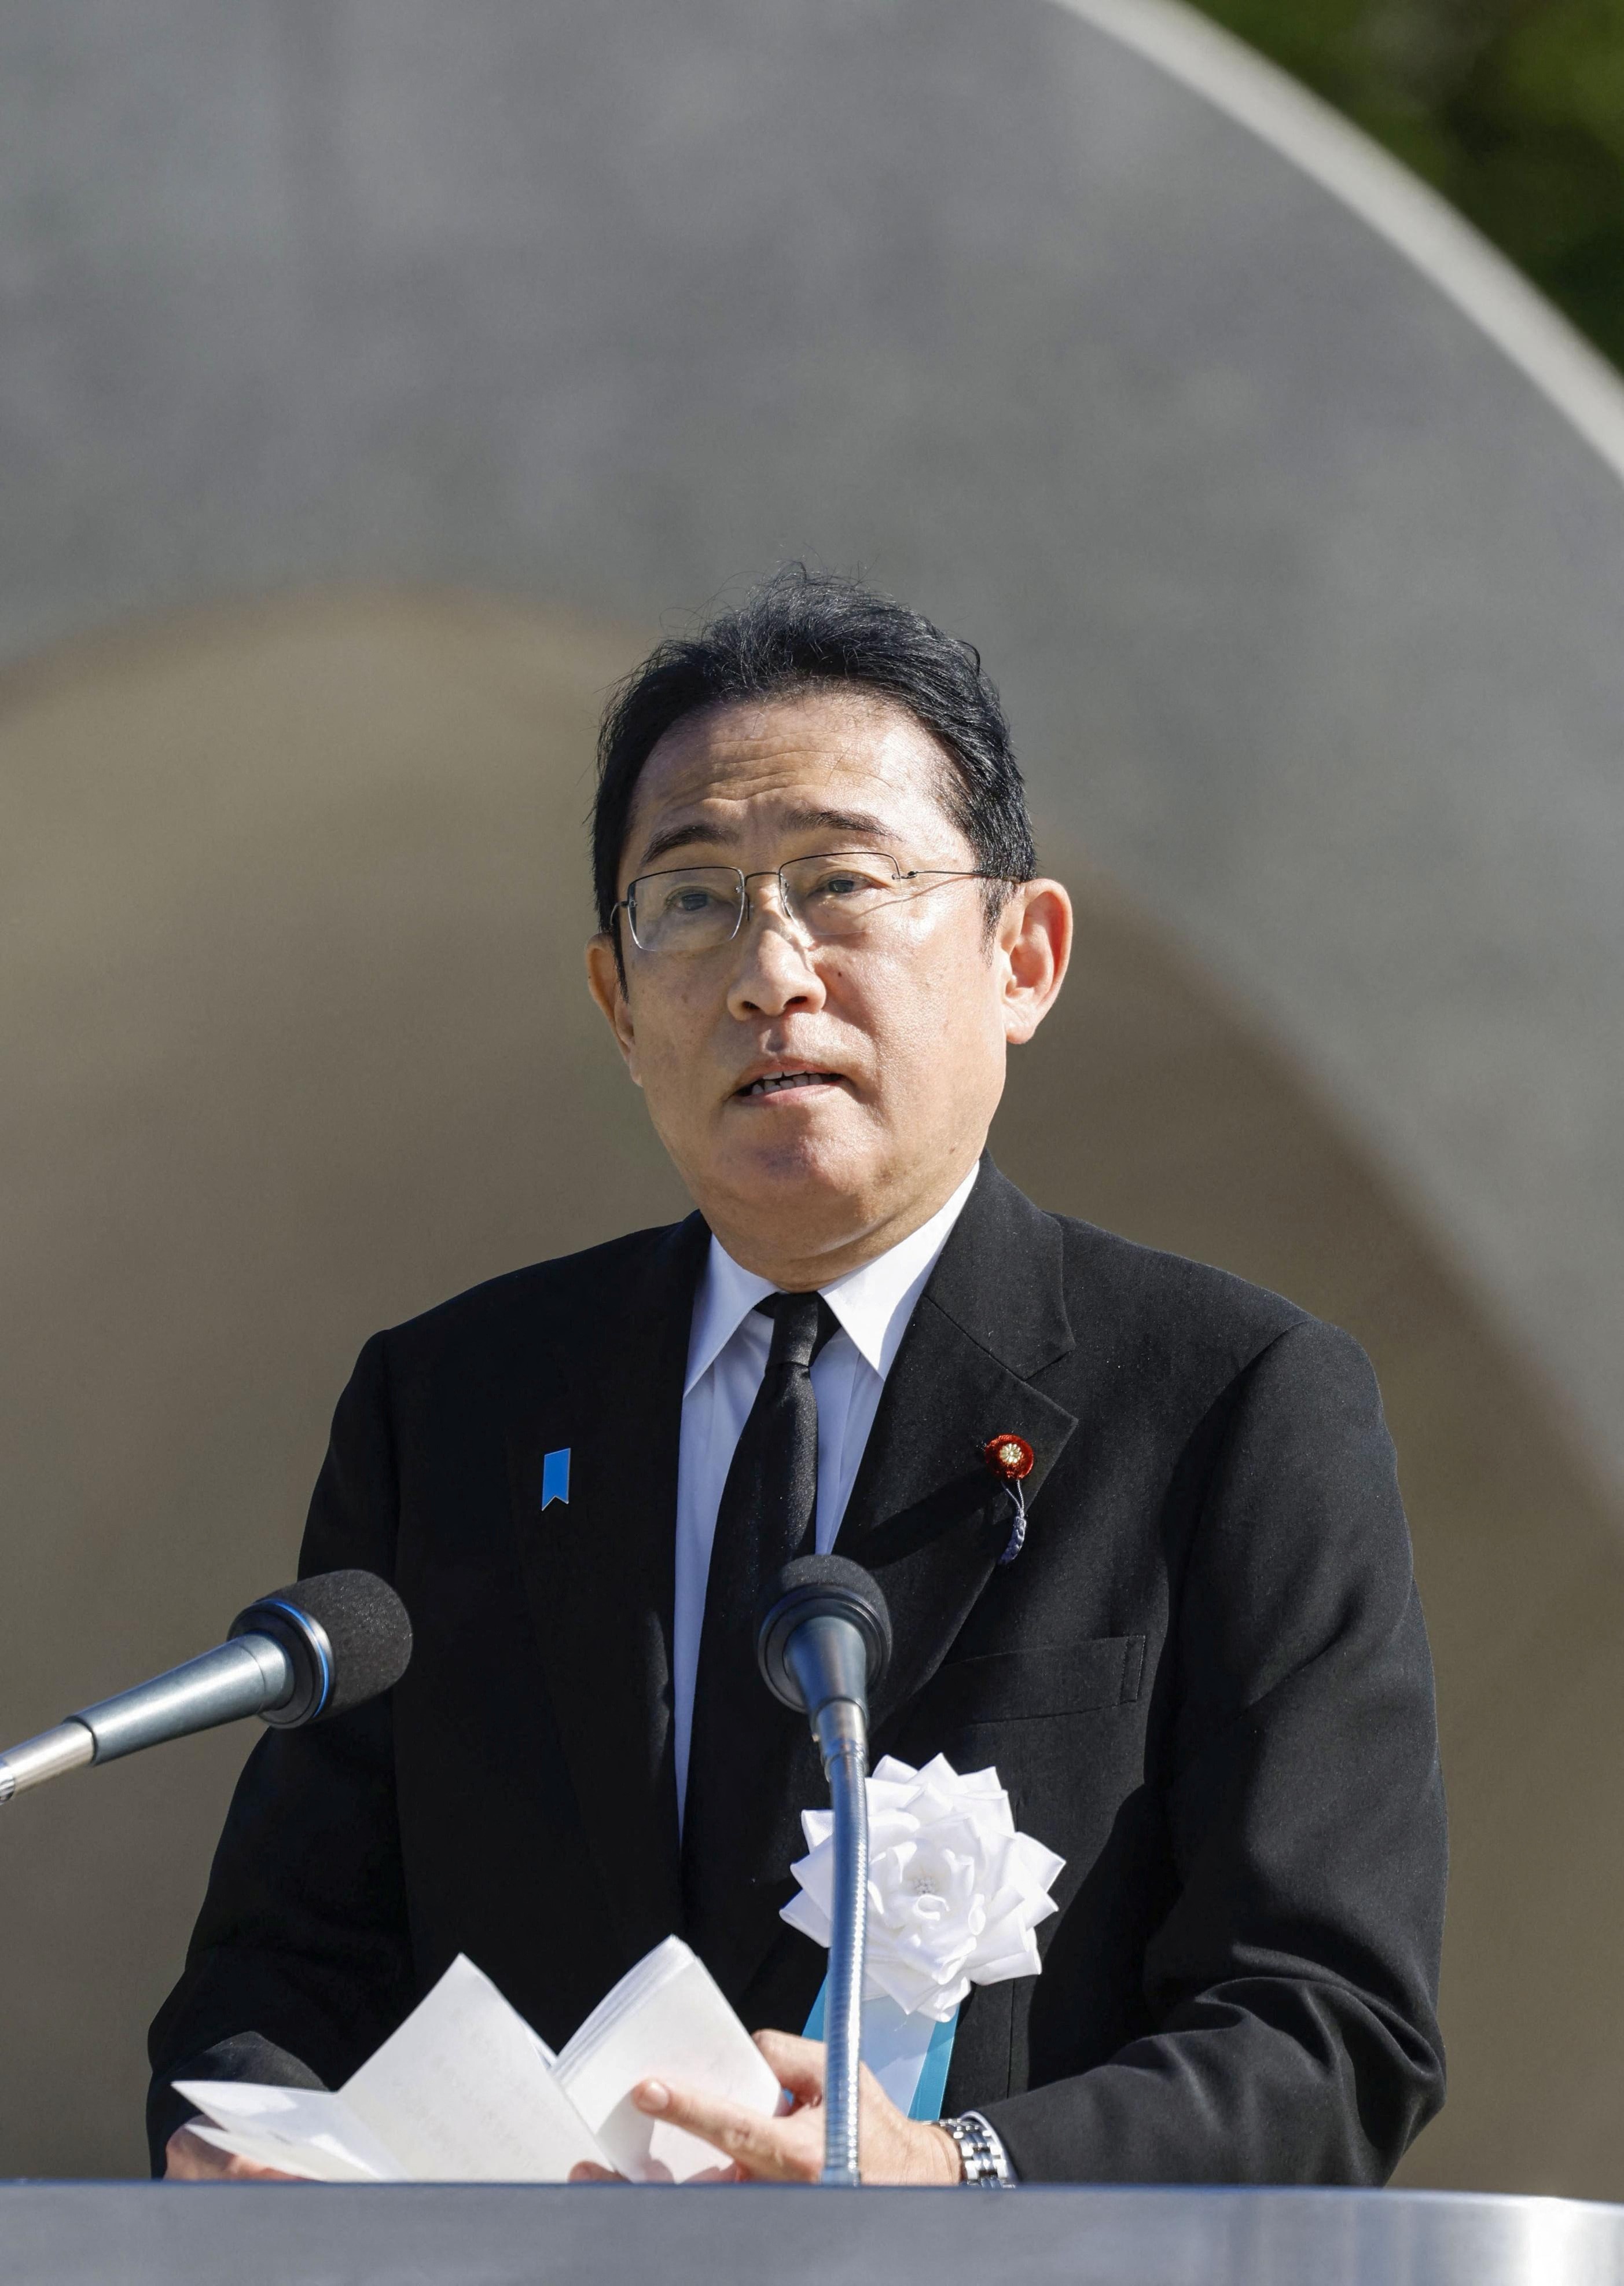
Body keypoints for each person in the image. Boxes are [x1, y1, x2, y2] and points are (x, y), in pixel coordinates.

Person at [151, 568, 1446, 2186]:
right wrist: (243, 2140)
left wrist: (964, 2175)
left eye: (843, 880)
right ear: (619, 1005)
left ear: (1023, 957)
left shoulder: (1231, 1403)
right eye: (689, 899)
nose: (770, 970)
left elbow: (1327, 2025)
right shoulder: (456, 1409)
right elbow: (283, 1966)